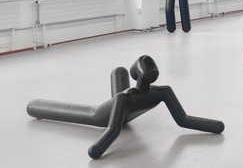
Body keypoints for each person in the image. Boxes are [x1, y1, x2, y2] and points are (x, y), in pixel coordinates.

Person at [26, 55, 225, 159]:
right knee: (94, 107)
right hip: (105, 114)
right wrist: (97, 148)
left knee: (116, 80)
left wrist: (213, 126)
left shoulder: (132, 96)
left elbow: (182, 119)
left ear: (137, 74)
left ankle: (119, 71)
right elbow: (113, 129)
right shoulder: (160, 92)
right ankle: (35, 107)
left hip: (118, 113)